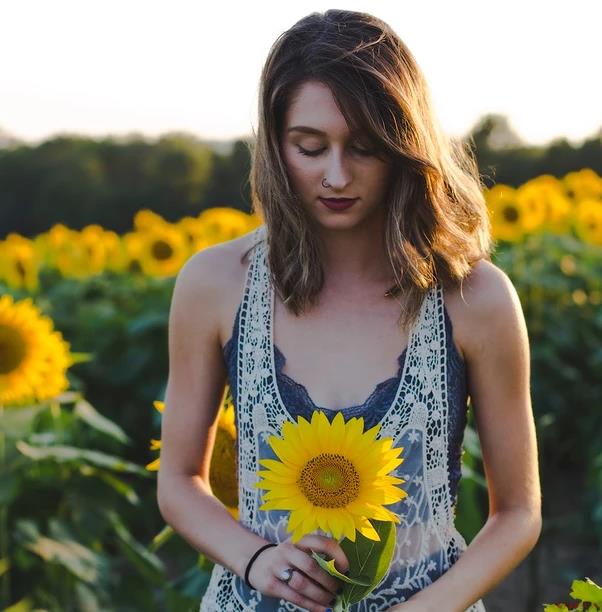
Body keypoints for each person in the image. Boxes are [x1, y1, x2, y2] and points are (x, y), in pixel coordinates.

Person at [156, 9, 542, 612]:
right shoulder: (213, 285)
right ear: (275, 145)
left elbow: (518, 512)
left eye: (364, 147)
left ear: (405, 146)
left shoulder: (476, 297)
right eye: (309, 147)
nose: (336, 175)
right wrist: (255, 559)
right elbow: (179, 482)